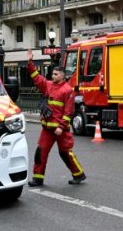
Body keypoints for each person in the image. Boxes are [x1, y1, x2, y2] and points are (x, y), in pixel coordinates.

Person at [25, 49, 86, 187]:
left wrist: (61, 126)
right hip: (47, 128)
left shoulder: (67, 90)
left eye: (56, 74)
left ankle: (79, 174)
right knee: (40, 152)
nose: (53, 76)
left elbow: (68, 111)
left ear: (63, 77)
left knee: (65, 154)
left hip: (60, 130)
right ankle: (38, 178)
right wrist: (30, 63)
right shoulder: (48, 85)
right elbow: (36, 78)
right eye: (52, 74)